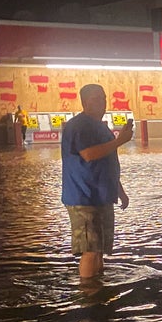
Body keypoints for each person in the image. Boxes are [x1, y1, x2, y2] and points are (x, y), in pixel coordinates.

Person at [61, 84, 132, 281]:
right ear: (84, 102)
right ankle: (88, 294)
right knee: (90, 249)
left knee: (99, 248)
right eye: (95, 99)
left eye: (103, 98)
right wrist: (120, 140)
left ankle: (97, 287)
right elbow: (89, 154)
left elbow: (107, 160)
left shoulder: (100, 126)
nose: (101, 103)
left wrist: (119, 190)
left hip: (102, 196)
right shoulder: (79, 126)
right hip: (83, 196)